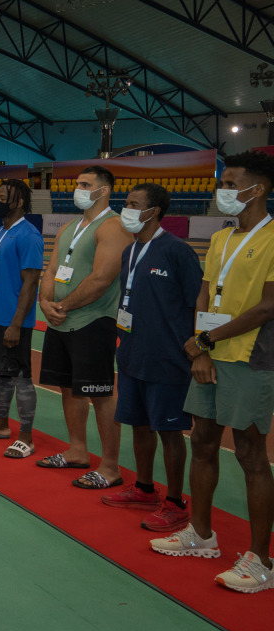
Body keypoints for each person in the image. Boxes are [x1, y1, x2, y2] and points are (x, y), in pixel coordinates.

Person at [151, 152, 274, 593]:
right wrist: (201, 349)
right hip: (210, 355)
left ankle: (261, 561)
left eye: (231, 183)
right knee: (202, 442)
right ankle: (201, 535)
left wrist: (209, 340)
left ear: (256, 190)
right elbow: (205, 294)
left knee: (250, 455)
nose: (222, 190)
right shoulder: (222, 238)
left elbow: (268, 305)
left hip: (250, 358)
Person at [101, 184, 199, 530]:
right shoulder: (130, 251)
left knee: (169, 432)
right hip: (132, 354)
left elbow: (195, 304)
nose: (125, 208)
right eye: (125, 202)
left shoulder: (177, 252)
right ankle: (144, 488)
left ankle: (175, 501)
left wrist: (196, 349)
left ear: (154, 211)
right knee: (139, 425)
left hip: (167, 359)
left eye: (132, 204)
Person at [37, 166, 131, 489]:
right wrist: (46, 303)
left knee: (101, 393)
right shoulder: (69, 227)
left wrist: (62, 306)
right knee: (68, 387)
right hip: (61, 322)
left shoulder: (114, 226)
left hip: (94, 322)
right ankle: (77, 450)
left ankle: (110, 466)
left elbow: (102, 278)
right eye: (78, 183)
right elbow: (50, 270)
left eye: (85, 184)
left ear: (104, 190)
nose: (77, 188)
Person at [0, 180, 43, 459]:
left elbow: (30, 283)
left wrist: (16, 324)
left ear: (19, 202)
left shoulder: (29, 235)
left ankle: (26, 436)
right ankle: (0, 425)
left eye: (3, 197)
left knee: (22, 377)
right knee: (0, 373)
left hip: (14, 322)